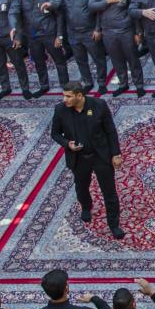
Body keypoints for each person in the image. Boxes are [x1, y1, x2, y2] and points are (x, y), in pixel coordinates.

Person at [49, 81, 124, 240]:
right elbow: (55, 134)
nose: (65, 99)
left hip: (100, 155)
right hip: (79, 158)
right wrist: (67, 144)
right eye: (64, 96)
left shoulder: (99, 105)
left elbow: (110, 131)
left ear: (79, 96)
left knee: (109, 192)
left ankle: (114, 225)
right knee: (81, 187)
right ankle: (86, 207)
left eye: (68, 96)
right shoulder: (61, 110)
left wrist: (116, 154)